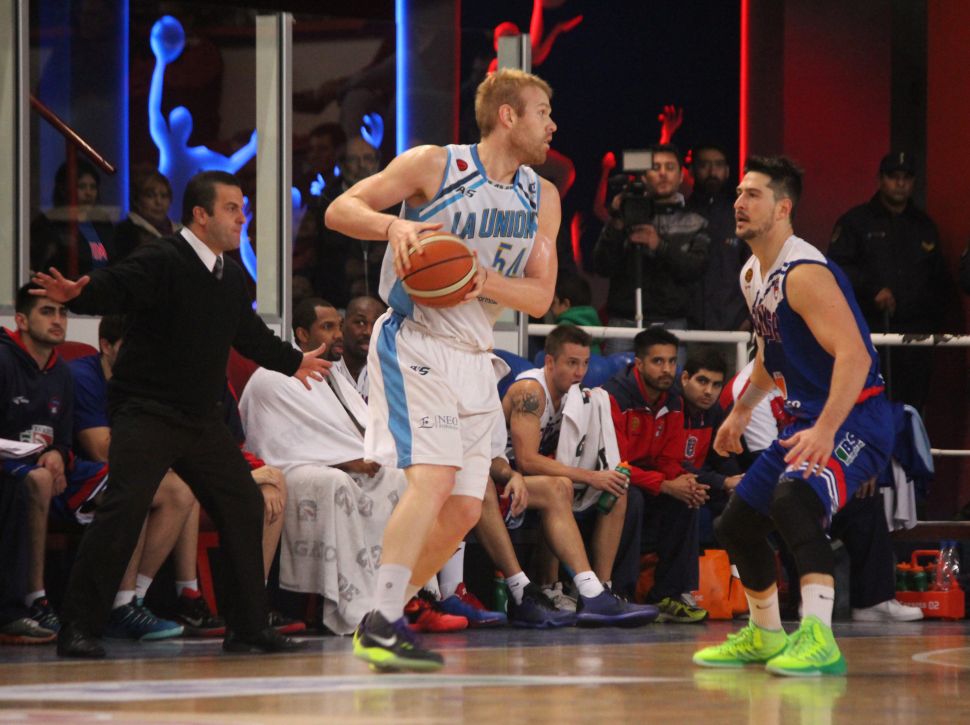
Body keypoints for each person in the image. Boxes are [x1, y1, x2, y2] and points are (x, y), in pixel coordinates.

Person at [31, 170, 332, 658]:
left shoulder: (230, 275)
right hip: (146, 410)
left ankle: (247, 627)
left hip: (199, 419)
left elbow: (249, 335)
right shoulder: (163, 257)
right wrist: (78, 295)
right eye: (231, 208)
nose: (241, 218)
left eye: (242, 209)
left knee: (243, 503)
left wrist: (294, 361)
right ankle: (78, 626)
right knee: (124, 508)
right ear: (200, 214)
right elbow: (115, 284)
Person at [324, 68, 563, 672]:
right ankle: (382, 625)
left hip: (475, 353)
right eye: (542, 112)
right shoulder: (436, 166)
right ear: (507, 115)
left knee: (463, 509)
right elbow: (340, 209)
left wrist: (483, 280)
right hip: (416, 339)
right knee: (433, 479)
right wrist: (395, 225)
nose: (552, 125)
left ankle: (380, 616)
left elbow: (540, 298)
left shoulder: (542, 197)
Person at [693, 156, 893, 677]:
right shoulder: (752, 274)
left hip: (855, 418)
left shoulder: (803, 274)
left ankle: (819, 637)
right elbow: (769, 353)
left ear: (783, 208)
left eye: (753, 195)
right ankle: (765, 634)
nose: (739, 202)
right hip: (805, 420)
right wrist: (740, 412)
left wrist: (826, 430)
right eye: (739, 193)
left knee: (794, 500)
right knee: (737, 523)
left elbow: (856, 356)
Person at [240, 297, 406, 635]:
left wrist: (367, 456)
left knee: (397, 478)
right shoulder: (272, 375)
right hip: (286, 470)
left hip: (331, 462)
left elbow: (354, 428)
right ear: (302, 334)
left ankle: (400, 599)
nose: (338, 335)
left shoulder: (334, 375)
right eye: (327, 327)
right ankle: (348, 604)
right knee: (335, 483)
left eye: (338, 326)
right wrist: (344, 459)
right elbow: (278, 443)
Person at [502, 326, 659, 625]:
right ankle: (552, 587)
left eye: (585, 363)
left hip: (528, 479)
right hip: (499, 476)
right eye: (572, 363)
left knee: (616, 489)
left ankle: (602, 590)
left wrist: (601, 477)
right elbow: (526, 460)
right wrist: (588, 476)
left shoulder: (575, 397)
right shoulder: (531, 391)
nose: (580, 372)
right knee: (559, 486)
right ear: (550, 362)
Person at [0, 284, 106, 644]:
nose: (58, 320)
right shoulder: (4, 360)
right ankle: (34, 598)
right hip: (9, 467)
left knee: (127, 485)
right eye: (47, 312)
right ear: (21, 320)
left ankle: (119, 603)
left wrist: (58, 452)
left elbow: (63, 436)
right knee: (40, 480)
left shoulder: (62, 372)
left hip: (46, 467)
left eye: (62, 312)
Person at [827, 152, 948, 413]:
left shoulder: (924, 226)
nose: (900, 184)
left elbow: (938, 281)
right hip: (869, 333)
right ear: (880, 179)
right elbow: (836, 268)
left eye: (906, 178)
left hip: (916, 338)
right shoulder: (856, 222)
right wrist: (872, 291)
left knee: (911, 409)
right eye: (893, 177)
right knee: (868, 408)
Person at [603, 328, 710, 623]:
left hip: (649, 481)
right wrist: (665, 485)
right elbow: (616, 464)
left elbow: (668, 459)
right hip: (612, 480)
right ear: (639, 363)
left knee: (687, 497)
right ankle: (621, 595)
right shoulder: (614, 396)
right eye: (658, 361)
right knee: (630, 496)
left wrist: (685, 482)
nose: (667, 370)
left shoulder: (673, 399)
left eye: (672, 362)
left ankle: (669, 595)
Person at [592, 144, 710, 352]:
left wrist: (659, 245)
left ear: (681, 176)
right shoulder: (624, 215)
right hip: (624, 322)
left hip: (672, 323)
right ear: (644, 176)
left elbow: (696, 269)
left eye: (670, 167)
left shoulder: (695, 221)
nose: (663, 173)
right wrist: (617, 222)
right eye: (655, 167)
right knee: (618, 375)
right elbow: (602, 265)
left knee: (670, 375)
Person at [686, 143, 750, 331]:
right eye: (704, 165)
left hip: (734, 326)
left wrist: (749, 318)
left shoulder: (741, 216)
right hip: (686, 327)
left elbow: (755, 269)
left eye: (718, 165)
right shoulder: (680, 214)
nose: (712, 171)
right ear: (692, 171)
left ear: (727, 171)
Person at [31, 159, 116, 278]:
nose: (88, 193)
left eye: (93, 187)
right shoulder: (49, 223)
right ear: (64, 189)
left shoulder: (102, 222)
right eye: (81, 186)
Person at [112, 169, 179, 262]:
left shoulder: (180, 231)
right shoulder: (125, 232)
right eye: (150, 195)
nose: (158, 202)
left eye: (164, 196)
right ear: (137, 200)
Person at [333, 295, 386, 400]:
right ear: (342, 325)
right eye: (360, 323)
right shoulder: (326, 370)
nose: (368, 332)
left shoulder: (386, 375)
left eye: (376, 325)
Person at [549, 271, 602, 355]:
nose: (550, 309)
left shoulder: (563, 329)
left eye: (553, 303)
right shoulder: (595, 324)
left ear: (566, 304)